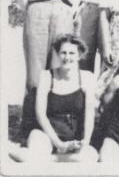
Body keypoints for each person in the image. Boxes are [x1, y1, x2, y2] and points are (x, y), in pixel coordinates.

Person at [17, 0, 82, 139]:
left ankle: (56, 128)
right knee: (35, 74)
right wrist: (38, 9)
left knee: (59, 67)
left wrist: (66, 11)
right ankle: (29, 127)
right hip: (37, 11)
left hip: (62, 11)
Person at [9, 34, 98, 162]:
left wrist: (85, 141)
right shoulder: (46, 76)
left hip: (73, 137)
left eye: (72, 53)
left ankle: (43, 159)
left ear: (79, 55)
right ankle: (36, 156)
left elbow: (90, 115)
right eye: (63, 53)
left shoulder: (87, 77)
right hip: (45, 134)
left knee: (90, 157)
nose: (67, 57)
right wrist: (59, 144)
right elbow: (40, 115)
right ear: (57, 54)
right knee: (39, 148)